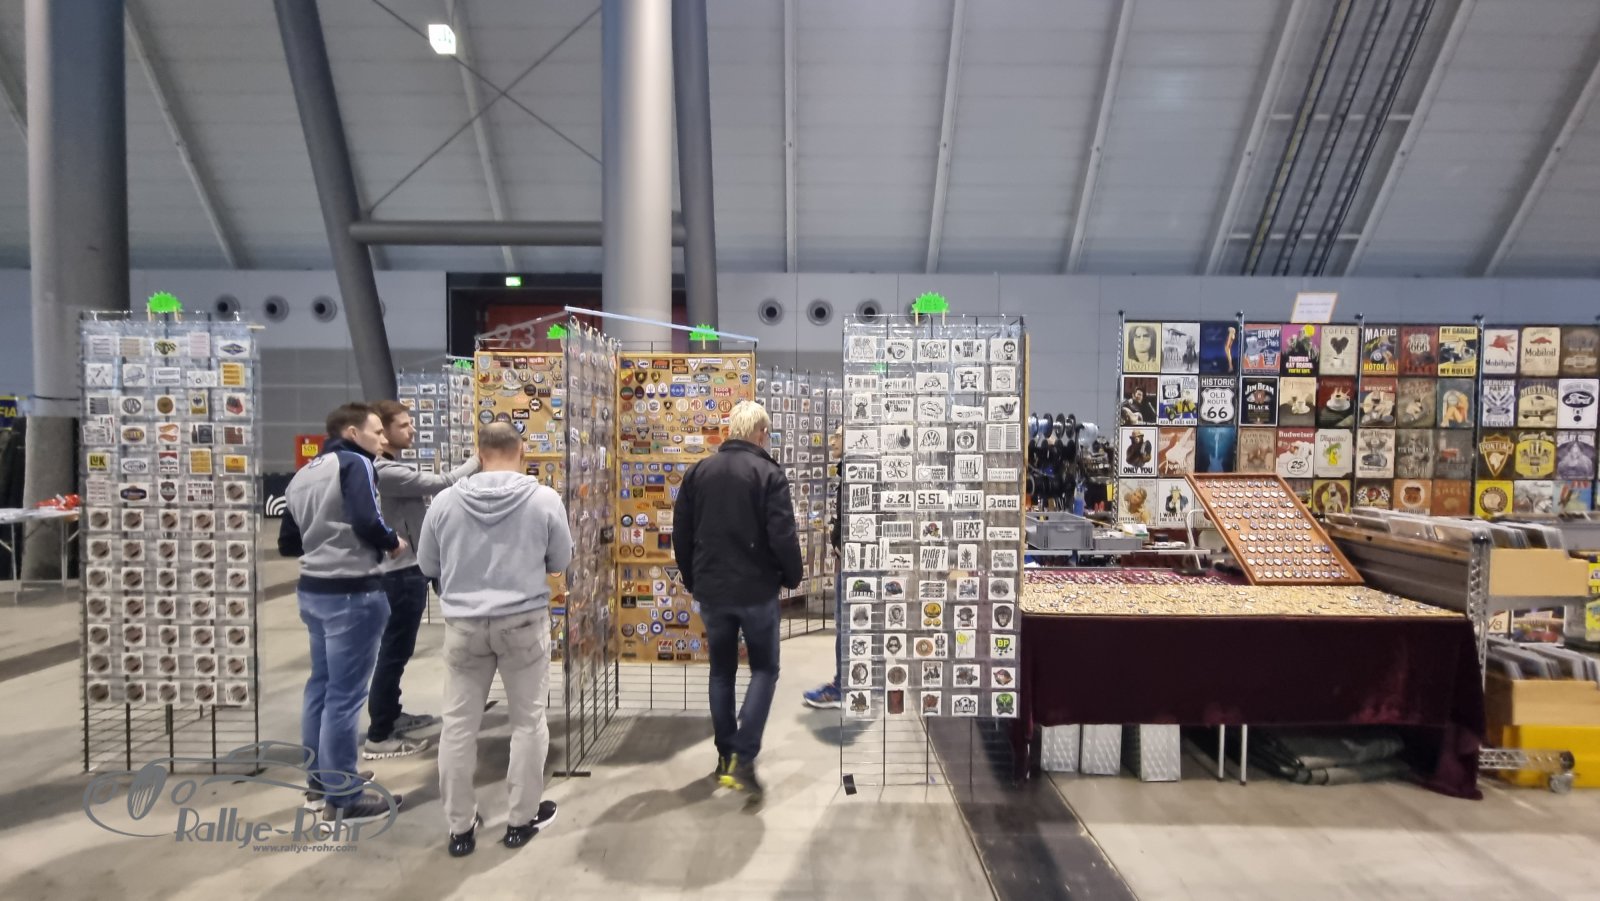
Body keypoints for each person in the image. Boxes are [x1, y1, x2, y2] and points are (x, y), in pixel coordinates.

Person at [419, 422, 571, 857]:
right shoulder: (544, 499)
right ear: (521, 451)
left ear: (478, 452)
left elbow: (427, 565)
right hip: (523, 623)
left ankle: (460, 828)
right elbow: (560, 559)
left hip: (464, 625)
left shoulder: (445, 502)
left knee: (458, 727)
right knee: (528, 721)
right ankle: (521, 820)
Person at [277, 403, 406, 825]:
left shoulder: (304, 473)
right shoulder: (356, 464)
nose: (382, 439)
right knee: (345, 697)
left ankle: (323, 780)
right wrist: (392, 542)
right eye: (376, 432)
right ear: (352, 433)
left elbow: (288, 542)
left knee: (321, 687)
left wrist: (324, 541)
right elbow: (368, 519)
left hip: (313, 591)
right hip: (352, 591)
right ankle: (345, 797)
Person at [673, 401, 803, 799]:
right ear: (760, 433)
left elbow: (681, 533)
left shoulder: (699, 472)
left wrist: (693, 579)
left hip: (713, 590)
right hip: (756, 590)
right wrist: (792, 576)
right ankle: (744, 758)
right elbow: (782, 534)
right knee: (764, 669)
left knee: (721, 672)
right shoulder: (768, 474)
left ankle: (725, 755)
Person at [363, 399, 481, 760]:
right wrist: (479, 458)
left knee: (399, 650)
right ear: (382, 433)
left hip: (408, 569)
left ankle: (391, 715)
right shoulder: (384, 471)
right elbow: (444, 483)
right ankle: (380, 734)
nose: (411, 429)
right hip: (399, 573)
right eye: (402, 425)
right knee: (394, 651)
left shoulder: (389, 468)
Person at [803, 428, 845, 709]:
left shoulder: (853, 473)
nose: (832, 440)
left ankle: (843, 688)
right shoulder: (847, 472)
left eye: (838, 435)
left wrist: (840, 544)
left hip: (851, 563)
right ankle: (847, 683)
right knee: (846, 625)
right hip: (848, 560)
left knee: (847, 625)